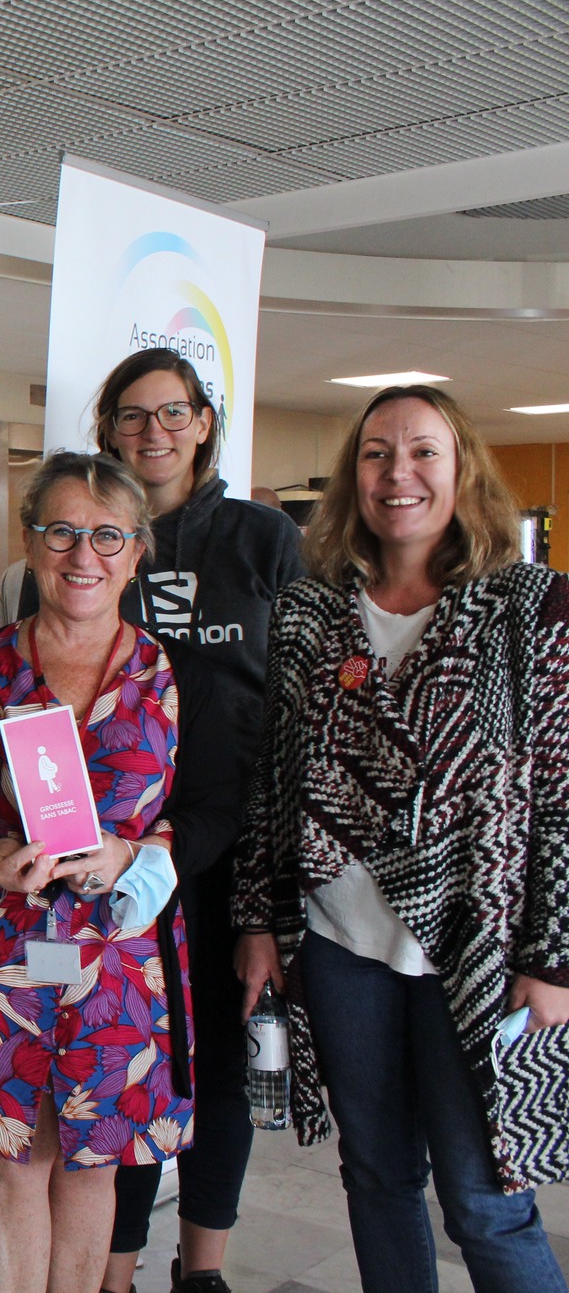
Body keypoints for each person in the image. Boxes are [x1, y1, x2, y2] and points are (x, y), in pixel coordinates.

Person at [235, 385, 569, 1293]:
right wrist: (258, 922)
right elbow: (275, 783)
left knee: (485, 1200)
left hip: (480, 949)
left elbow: (563, 797)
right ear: (355, 477)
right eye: (378, 453)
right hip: (344, 947)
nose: (400, 474)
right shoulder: (310, 614)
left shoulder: (529, 608)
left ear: (463, 468)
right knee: (377, 1177)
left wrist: (552, 957)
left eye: (423, 451)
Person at [0, 451, 233, 1293]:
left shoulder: (182, 675)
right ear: (32, 539)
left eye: (108, 535)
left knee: (92, 1167)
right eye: (64, 531)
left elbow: (216, 811)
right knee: (12, 1162)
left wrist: (131, 853)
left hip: (118, 966)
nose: (85, 555)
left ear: (137, 549)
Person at [22, 348, 305, 1293]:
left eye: (174, 412)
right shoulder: (83, 541)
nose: (155, 432)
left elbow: (301, 695)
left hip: (232, 843)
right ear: (107, 429)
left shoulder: (264, 540)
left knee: (216, 1057)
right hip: (108, 855)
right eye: (134, 415)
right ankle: (115, 1270)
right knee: (126, 1060)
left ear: (204, 423)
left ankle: (205, 1269)